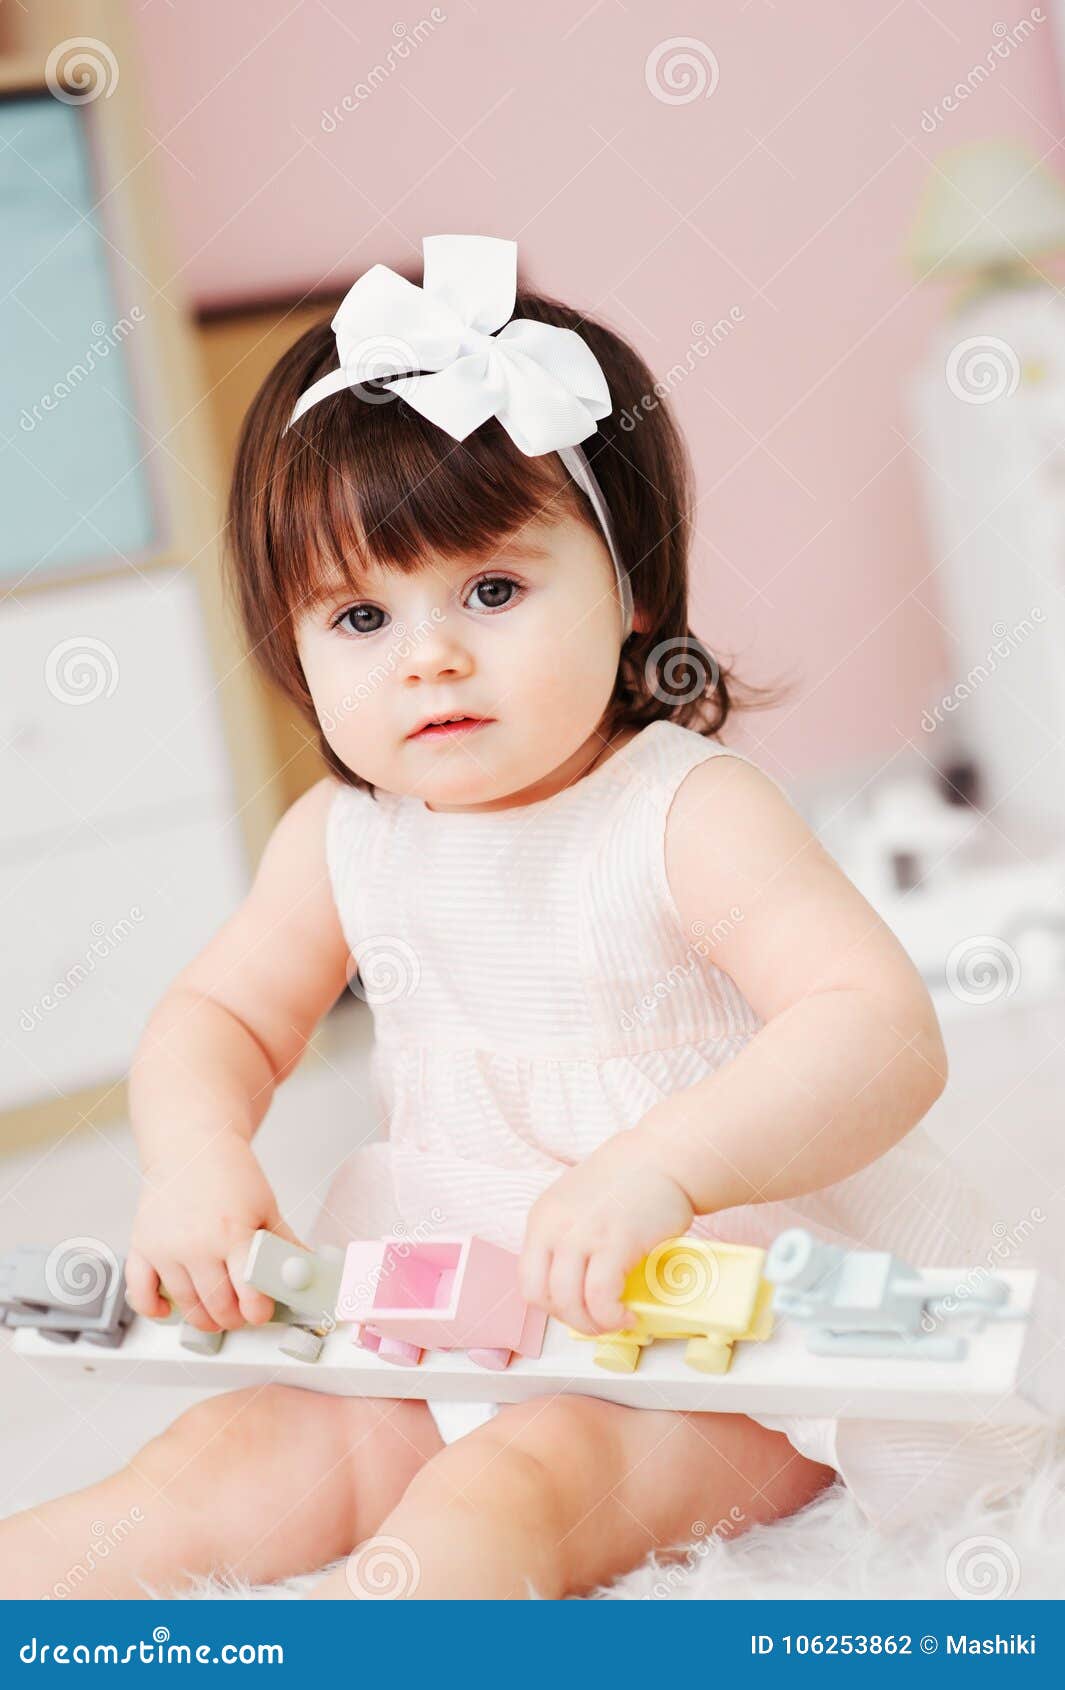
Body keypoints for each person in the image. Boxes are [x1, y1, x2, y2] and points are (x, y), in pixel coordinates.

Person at [3, 236, 1047, 1600]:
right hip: (448, 1306)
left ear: (631, 594)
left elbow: (876, 1029)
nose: (428, 653)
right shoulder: (345, 840)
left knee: (511, 1490)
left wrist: (662, 1167)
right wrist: (194, 1157)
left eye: (490, 591)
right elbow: (218, 1016)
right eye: (361, 615)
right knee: (227, 1459)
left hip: (703, 1340)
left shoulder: (681, 813)